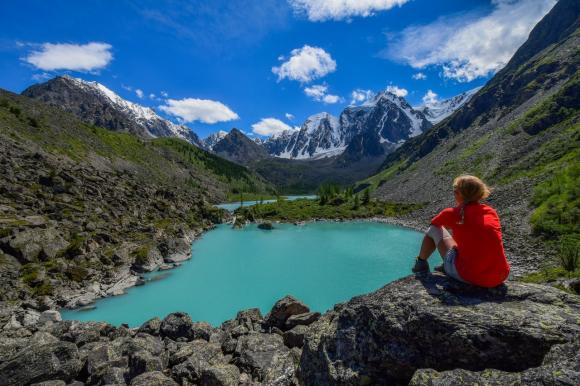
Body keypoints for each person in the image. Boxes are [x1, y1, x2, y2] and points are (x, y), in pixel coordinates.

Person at [412, 175, 510, 287]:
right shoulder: (490, 212)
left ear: (459, 194)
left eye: (455, 191)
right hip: (500, 276)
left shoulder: (451, 213)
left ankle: (420, 264)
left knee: (434, 229)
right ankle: (448, 266)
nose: (454, 194)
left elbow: (434, 224)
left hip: (471, 277)